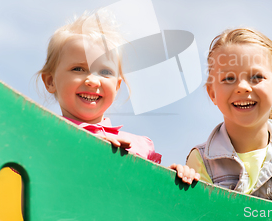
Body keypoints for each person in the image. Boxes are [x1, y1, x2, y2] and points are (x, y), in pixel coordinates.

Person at [37, 10, 199, 183]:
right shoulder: (45, 135)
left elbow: (145, 196)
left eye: (105, 72)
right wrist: (84, 147)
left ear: (117, 85)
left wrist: (171, 179)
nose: (92, 81)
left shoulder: (139, 147)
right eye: (78, 69)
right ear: (50, 81)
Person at [186, 28, 272, 207]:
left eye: (256, 77)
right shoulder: (201, 161)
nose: (243, 87)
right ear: (212, 93)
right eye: (229, 78)